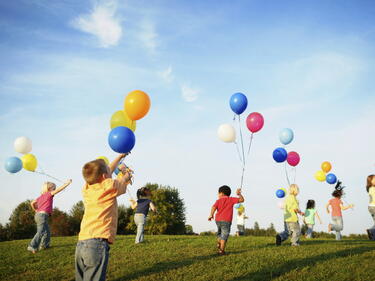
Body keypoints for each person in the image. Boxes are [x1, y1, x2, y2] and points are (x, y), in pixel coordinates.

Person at [75, 154, 132, 281]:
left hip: (82, 243)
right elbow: (121, 184)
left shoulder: (86, 188)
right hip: (97, 243)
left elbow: (107, 171)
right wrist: (126, 176)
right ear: (104, 176)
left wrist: (119, 157)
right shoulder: (109, 186)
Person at [27, 179, 72, 253]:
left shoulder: (41, 197)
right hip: (42, 216)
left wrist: (35, 210)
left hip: (39, 215)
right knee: (41, 231)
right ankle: (32, 246)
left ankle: (44, 245)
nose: (54, 189)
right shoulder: (49, 194)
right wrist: (67, 183)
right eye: (53, 188)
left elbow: (32, 203)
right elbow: (59, 190)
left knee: (47, 231)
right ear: (49, 189)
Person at [208, 185, 244, 255]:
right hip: (226, 220)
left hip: (218, 220)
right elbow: (242, 200)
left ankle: (219, 243)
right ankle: (221, 251)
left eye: (218, 193)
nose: (218, 195)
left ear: (221, 193)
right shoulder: (231, 199)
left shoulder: (218, 201)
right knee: (224, 235)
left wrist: (211, 214)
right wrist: (239, 194)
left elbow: (213, 207)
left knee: (220, 233)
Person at [366, 174, 375, 240]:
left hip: (371, 207)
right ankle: (371, 230)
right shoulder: (373, 189)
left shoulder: (370, 188)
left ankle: (372, 235)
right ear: (370, 181)